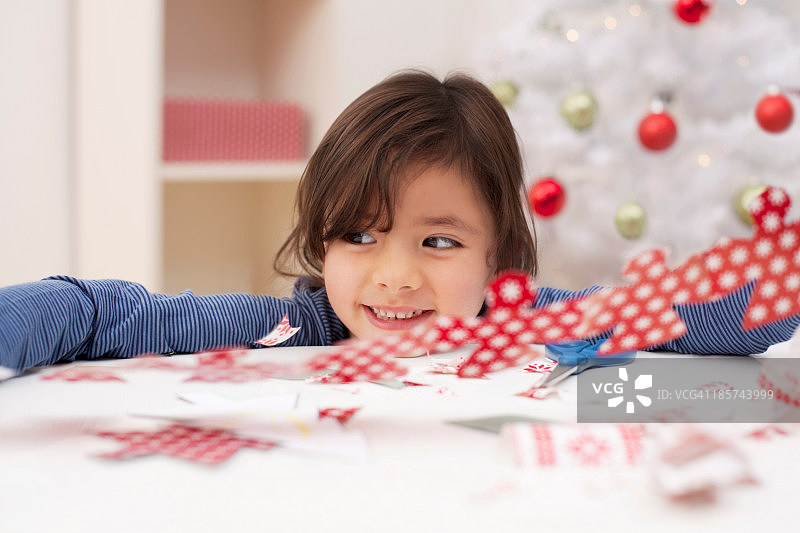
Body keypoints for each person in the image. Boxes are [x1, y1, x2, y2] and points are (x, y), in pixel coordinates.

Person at [0, 71, 797, 377]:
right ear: (322, 240)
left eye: (439, 242)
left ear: (498, 252)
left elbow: (715, 319)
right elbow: (101, 315)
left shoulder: (536, 322)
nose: (395, 276)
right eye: (359, 236)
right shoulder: (288, 327)